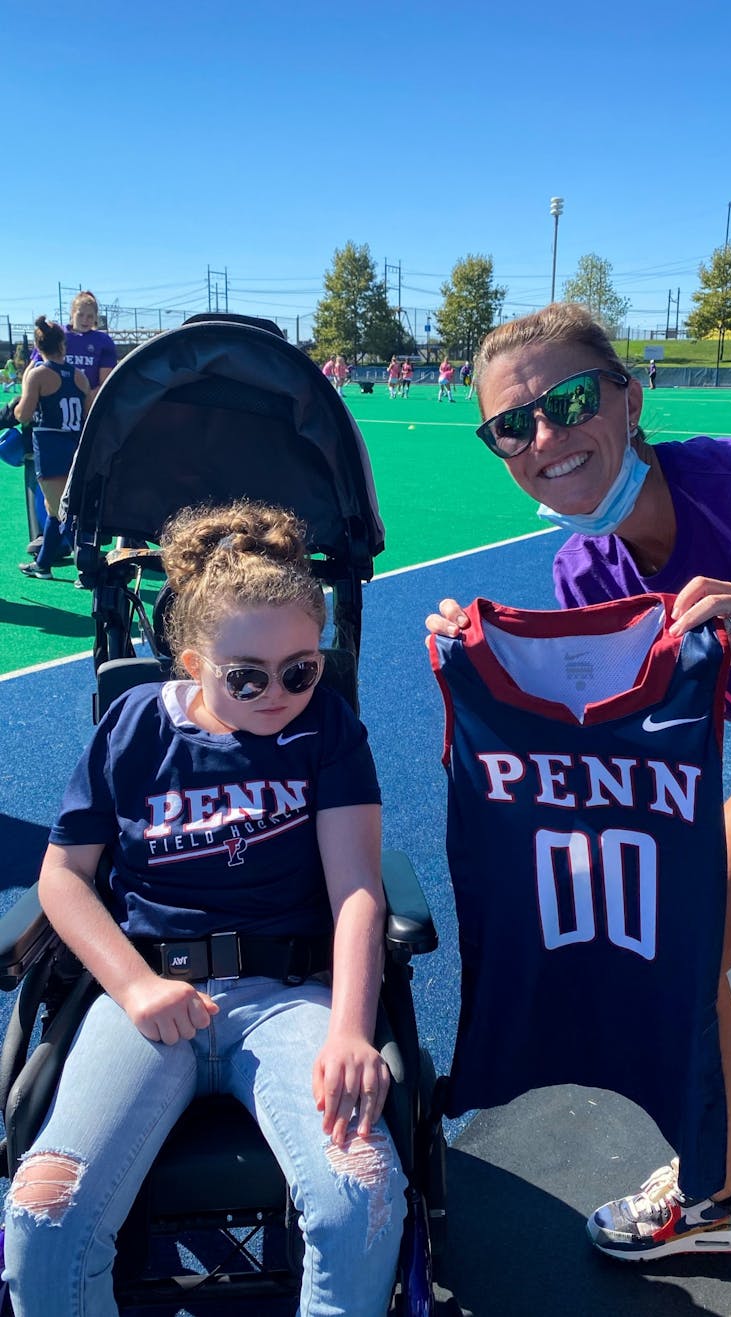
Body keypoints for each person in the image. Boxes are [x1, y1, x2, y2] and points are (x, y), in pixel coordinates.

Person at [426, 302, 731, 1317]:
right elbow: (601, 745)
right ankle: (713, 1195)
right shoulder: (582, 569)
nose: (545, 436)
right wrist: (484, 665)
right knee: (678, 954)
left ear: (630, 399)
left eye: (569, 400)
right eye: (512, 425)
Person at [2, 499, 406, 1317]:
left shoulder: (325, 728)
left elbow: (358, 888)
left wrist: (350, 1030)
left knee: (361, 1193)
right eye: (247, 676)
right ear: (192, 661)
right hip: (150, 995)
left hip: (287, 994)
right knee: (43, 1212)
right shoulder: (133, 728)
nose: (278, 692)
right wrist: (134, 986)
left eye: (301, 669)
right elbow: (63, 878)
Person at [9, 316, 91, 579]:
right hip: (74, 447)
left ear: (38, 346)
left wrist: (25, 384)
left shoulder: (38, 375)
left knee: (60, 512)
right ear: (63, 345)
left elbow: (23, 415)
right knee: (53, 507)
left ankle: (87, 570)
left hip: (50, 449)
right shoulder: (79, 376)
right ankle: (43, 564)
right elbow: (88, 414)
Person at [27, 290, 117, 390]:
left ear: (96, 317)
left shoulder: (103, 341)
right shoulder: (56, 333)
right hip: (53, 396)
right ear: (72, 313)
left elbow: (104, 384)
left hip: (87, 396)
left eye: (90, 316)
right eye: (80, 315)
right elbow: (31, 370)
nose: (85, 320)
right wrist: (27, 392)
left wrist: (86, 398)